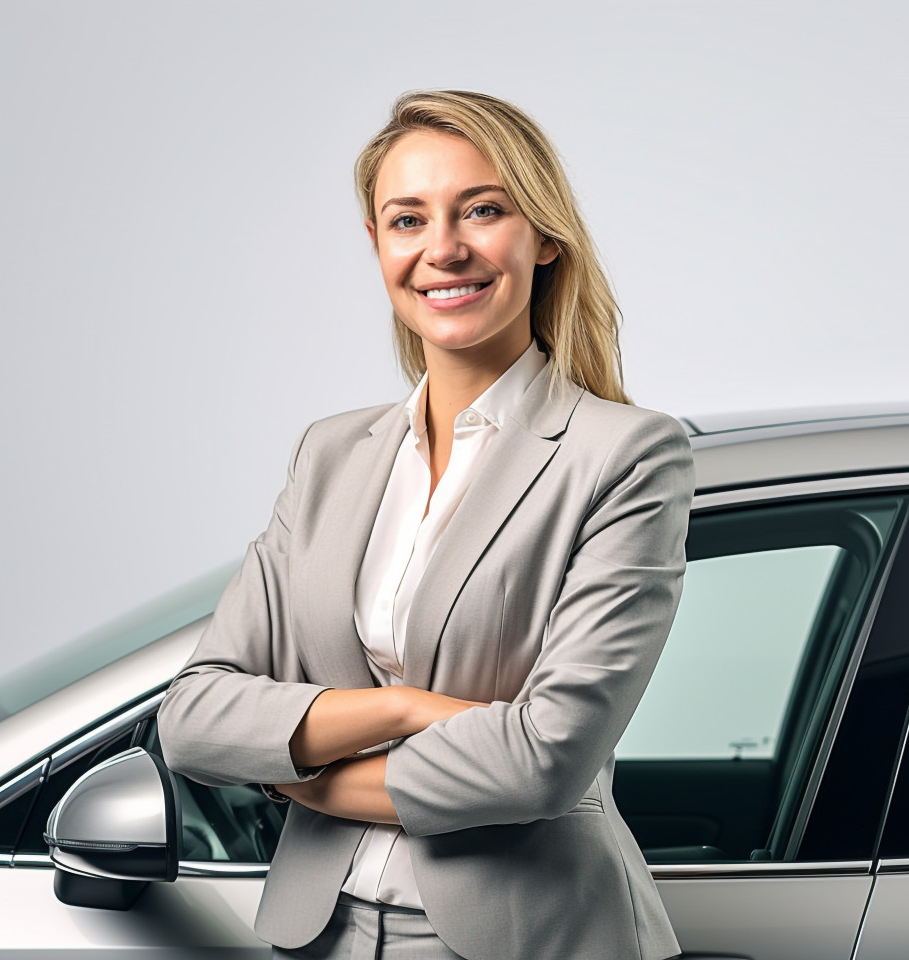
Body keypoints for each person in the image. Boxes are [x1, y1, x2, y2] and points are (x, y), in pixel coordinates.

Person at [157, 89, 694, 960]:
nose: (443, 249)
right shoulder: (329, 454)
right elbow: (194, 714)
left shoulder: (625, 456)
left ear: (545, 236)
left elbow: (545, 761)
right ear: (377, 245)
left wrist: (307, 778)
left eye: (483, 210)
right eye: (408, 219)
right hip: (316, 933)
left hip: (531, 936)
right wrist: (401, 707)